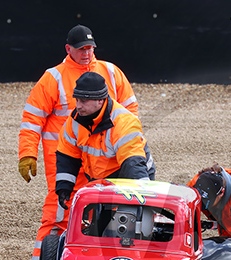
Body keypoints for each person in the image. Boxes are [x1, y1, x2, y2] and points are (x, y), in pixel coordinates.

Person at [18, 24, 139, 260]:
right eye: (81, 49)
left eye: (90, 48)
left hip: (104, 161)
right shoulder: (54, 77)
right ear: (68, 49)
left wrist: (128, 144)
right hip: (65, 161)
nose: (86, 53)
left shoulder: (111, 72)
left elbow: (130, 112)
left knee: (109, 214)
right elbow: (32, 119)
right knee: (58, 216)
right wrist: (27, 153)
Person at [54, 71, 155, 209]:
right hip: (101, 182)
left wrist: (142, 196)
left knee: (127, 224)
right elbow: (67, 156)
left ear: (100, 100)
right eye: (77, 100)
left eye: (83, 101)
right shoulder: (74, 121)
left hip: (131, 176)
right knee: (100, 226)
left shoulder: (123, 122)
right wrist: (64, 187)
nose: (78, 106)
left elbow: (132, 163)